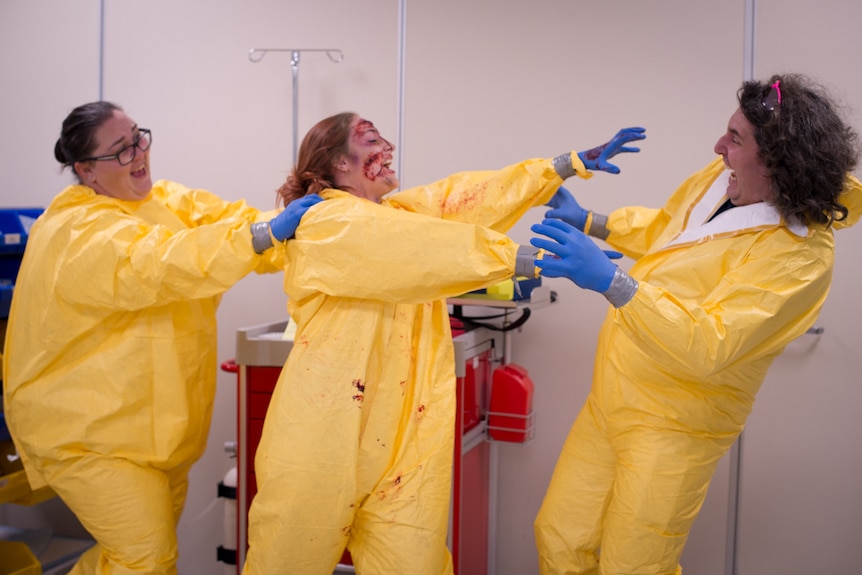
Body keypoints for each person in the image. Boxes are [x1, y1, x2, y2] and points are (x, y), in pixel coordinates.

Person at [241, 111, 645, 575]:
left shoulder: (399, 213)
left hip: (405, 446)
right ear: (338, 164)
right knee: (286, 563)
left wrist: (564, 165)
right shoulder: (322, 221)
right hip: (323, 441)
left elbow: (463, 199)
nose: (387, 147)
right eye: (370, 139)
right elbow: (417, 249)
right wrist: (526, 258)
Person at [530, 73, 862, 575]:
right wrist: (591, 221)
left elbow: (710, 343)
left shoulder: (799, 256)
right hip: (613, 398)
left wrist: (611, 281)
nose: (718, 147)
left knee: (632, 565)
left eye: (735, 139)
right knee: (559, 539)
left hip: (675, 426)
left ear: (778, 162)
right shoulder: (724, 180)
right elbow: (670, 230)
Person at [2, 101, 321, 575]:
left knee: (137, 558)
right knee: (145, 561)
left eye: (138, 137)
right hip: (88, 436)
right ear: (87, 169)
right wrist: (263, 236)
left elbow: (231, 224)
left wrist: (310, 229)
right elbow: (163, 263)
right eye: (120, 150)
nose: (138, 154)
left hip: (159, 434)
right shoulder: (78, 231)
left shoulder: (162, 200)